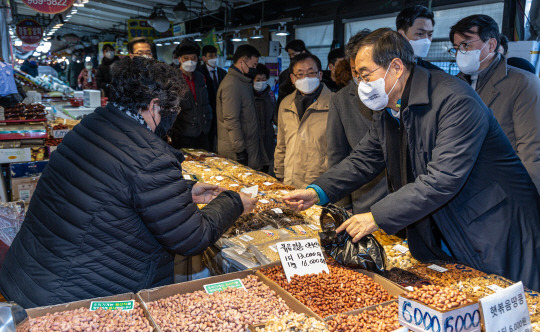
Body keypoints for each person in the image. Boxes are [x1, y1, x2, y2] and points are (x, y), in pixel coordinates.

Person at [283, 28, 540, 291]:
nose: (361, 85)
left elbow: (442, 179)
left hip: (495, 225)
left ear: (396, 67)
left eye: (365, 74)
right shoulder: (390, 108)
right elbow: (363, 159)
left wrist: (375, 216)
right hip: (450, 221)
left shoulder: (455, 100)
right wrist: (318, 191)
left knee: (511, 303)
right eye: (357, 77)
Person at [0, 57, 257, 308]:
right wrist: (234, 201)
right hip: (74, 300)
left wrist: (185, 192)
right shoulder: (150, 156)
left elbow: (111, 191)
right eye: (174, 109)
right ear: (155, 106)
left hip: (29, 276)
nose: (174, 117)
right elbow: (191, 237)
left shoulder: (92, 124)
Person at [450, 15, 540, 192]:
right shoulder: (454, 85)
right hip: (463, 192)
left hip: (503, 191)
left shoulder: (523, 83)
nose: (460, 53)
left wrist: (525, 201)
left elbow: (532, 151)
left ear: (491, 45)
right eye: (456, 48)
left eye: (466, 45)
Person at [326, 29, 387, 214]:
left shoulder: (396, 92)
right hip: (366, 198)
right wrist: (343, 205)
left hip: (406, 201)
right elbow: (337, 154)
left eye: (366, 72)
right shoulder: (341, 100)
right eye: (356, 72)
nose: (362, 79)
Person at [274, 53, 334, 188]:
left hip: (320, 184)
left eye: (311, 73)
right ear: (292, 78)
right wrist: (280, 174)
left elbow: (340, 151)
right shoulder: (286, 103)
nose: (305, 78)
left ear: (320, 75)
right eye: (300, 74)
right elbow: (281, 144)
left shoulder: (334, 103)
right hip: (291, 180)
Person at [216, 44, 268, 170]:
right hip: (237, 150)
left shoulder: (242, 82)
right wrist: (240, 151)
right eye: (254, 64)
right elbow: (231, 120)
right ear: (242, 62)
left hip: (248, 145)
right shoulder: (232, 85)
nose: (255, 68)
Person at [168, 40, 212, 150]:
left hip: (203, 131)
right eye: (186, 58)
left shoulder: (201, 77)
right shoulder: (172, 79)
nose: (190, 61)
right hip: (183, 134)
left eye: (193, 58)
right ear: (179, 59)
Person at [199, 45, 227, 152]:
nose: (214, 59)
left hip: (221, 112)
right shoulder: (199, 73)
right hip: (206, 112)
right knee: (208, 142)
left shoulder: (222, 73)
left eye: (215, 56)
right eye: (211, 56)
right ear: (204, 58)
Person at [396, 5, 441, 70]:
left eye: (430, 35)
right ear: (401, 34)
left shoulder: (434, 72)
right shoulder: (382, 66)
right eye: (420, 34)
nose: (426, 41)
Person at [253, 63, 277, 174]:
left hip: (268, 139)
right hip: (254, 140)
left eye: (264, 79)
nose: (261, 82)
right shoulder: (248, 95)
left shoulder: (270, 95)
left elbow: (275, 116)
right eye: (258, 79)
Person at [277, 40, 309, 107]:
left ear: (303, 52)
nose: (291, 57)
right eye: (290, 55)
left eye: (293, 54)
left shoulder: (312, 72)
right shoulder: (285, 74)